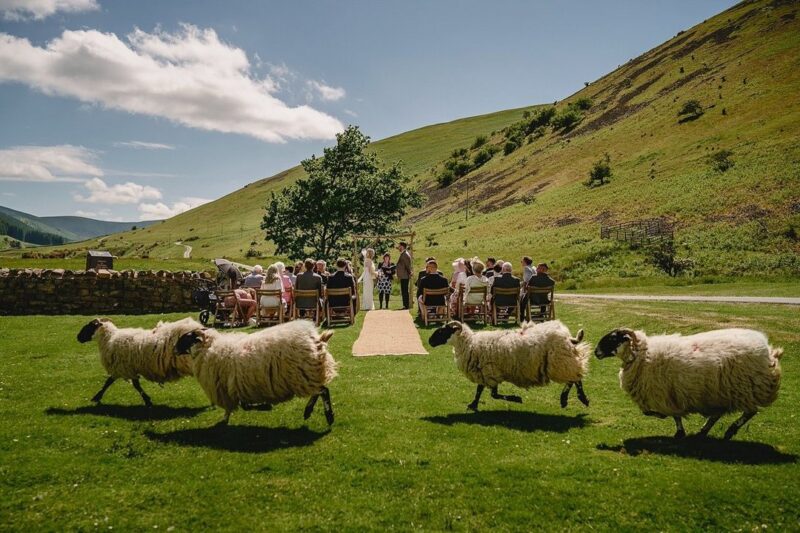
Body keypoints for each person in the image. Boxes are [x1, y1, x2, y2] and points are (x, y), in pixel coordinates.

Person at [396, 241, 412, 310]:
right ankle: (405, 305)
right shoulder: (403, 254)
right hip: (403, 275)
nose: (398, 247)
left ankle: (406, 305)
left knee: (405, 290)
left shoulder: (405, 254)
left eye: (399, 246)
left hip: (405, 275)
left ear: (402, 247)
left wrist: (409, 272)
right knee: (404, 290)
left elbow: (407, 265)